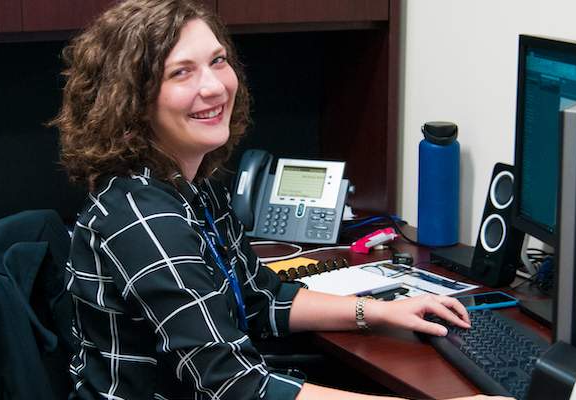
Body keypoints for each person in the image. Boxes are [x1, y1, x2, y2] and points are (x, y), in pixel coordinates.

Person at [53, 1, 510, 399]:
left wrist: (380, 310)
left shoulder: (190, 186)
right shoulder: (143, 220)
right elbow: (232, 386)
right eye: (181, 72)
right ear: (130, 101)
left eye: (218, 61)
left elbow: (259, 297)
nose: (214, 86)